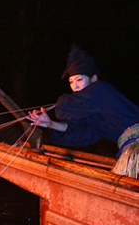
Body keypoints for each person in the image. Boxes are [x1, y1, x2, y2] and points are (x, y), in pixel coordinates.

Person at [27, 44, 139, 178]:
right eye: (71, 82)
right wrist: (51, 124)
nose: (75, 86)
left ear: (93, 79)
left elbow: (70, 105)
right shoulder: (96, 114)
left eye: (80, 79)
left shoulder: (101, 90)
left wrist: (60, 105)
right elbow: (83, 133)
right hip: (130, 151)